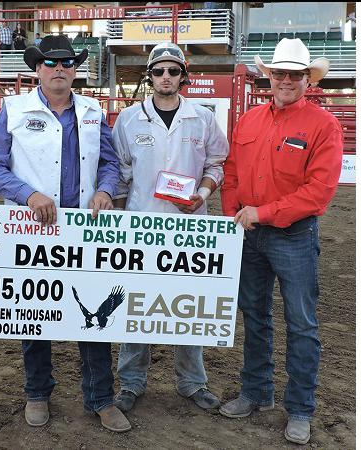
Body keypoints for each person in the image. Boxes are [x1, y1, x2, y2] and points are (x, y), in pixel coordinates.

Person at [0, 34, 130, 433]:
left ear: (75, 69)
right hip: (33, 228)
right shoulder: (14, 109)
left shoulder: (93, 110)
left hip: (83, 230)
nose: (59, 68)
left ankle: (101, 398)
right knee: (34, 313)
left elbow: (110, 164)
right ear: (37, 69)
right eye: (51, 62)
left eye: (66, 62)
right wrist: (28, 195)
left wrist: (105, 190)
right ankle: (37, 392)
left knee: (94, 314)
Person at [218, 38, 342, 445]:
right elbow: (232, 172)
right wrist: (234, 213)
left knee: (301, 323)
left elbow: (318, 192)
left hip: (293, 234)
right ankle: (256, 392)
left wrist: (262, 212)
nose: (285, 80)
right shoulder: (249, 120)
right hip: (250, 231)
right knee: (254, 316)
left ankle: (300, 408)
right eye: (279, 73)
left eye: (294, 74)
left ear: (308, 80)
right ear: (268, 76)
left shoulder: (323, 125)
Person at [110, 42, 228, 414]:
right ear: (150, 75)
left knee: (188, 306)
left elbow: (217, 164)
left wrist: (202, 194)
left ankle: (192, 382)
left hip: (190, 228)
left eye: (173, 71)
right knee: (136, 306)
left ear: (183, 76)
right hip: (141, 226)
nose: (165, 77)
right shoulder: (129, 119)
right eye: (159, 71)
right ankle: (131, 381)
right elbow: (120, 174)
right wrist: (119, 223)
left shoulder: (202, 118)